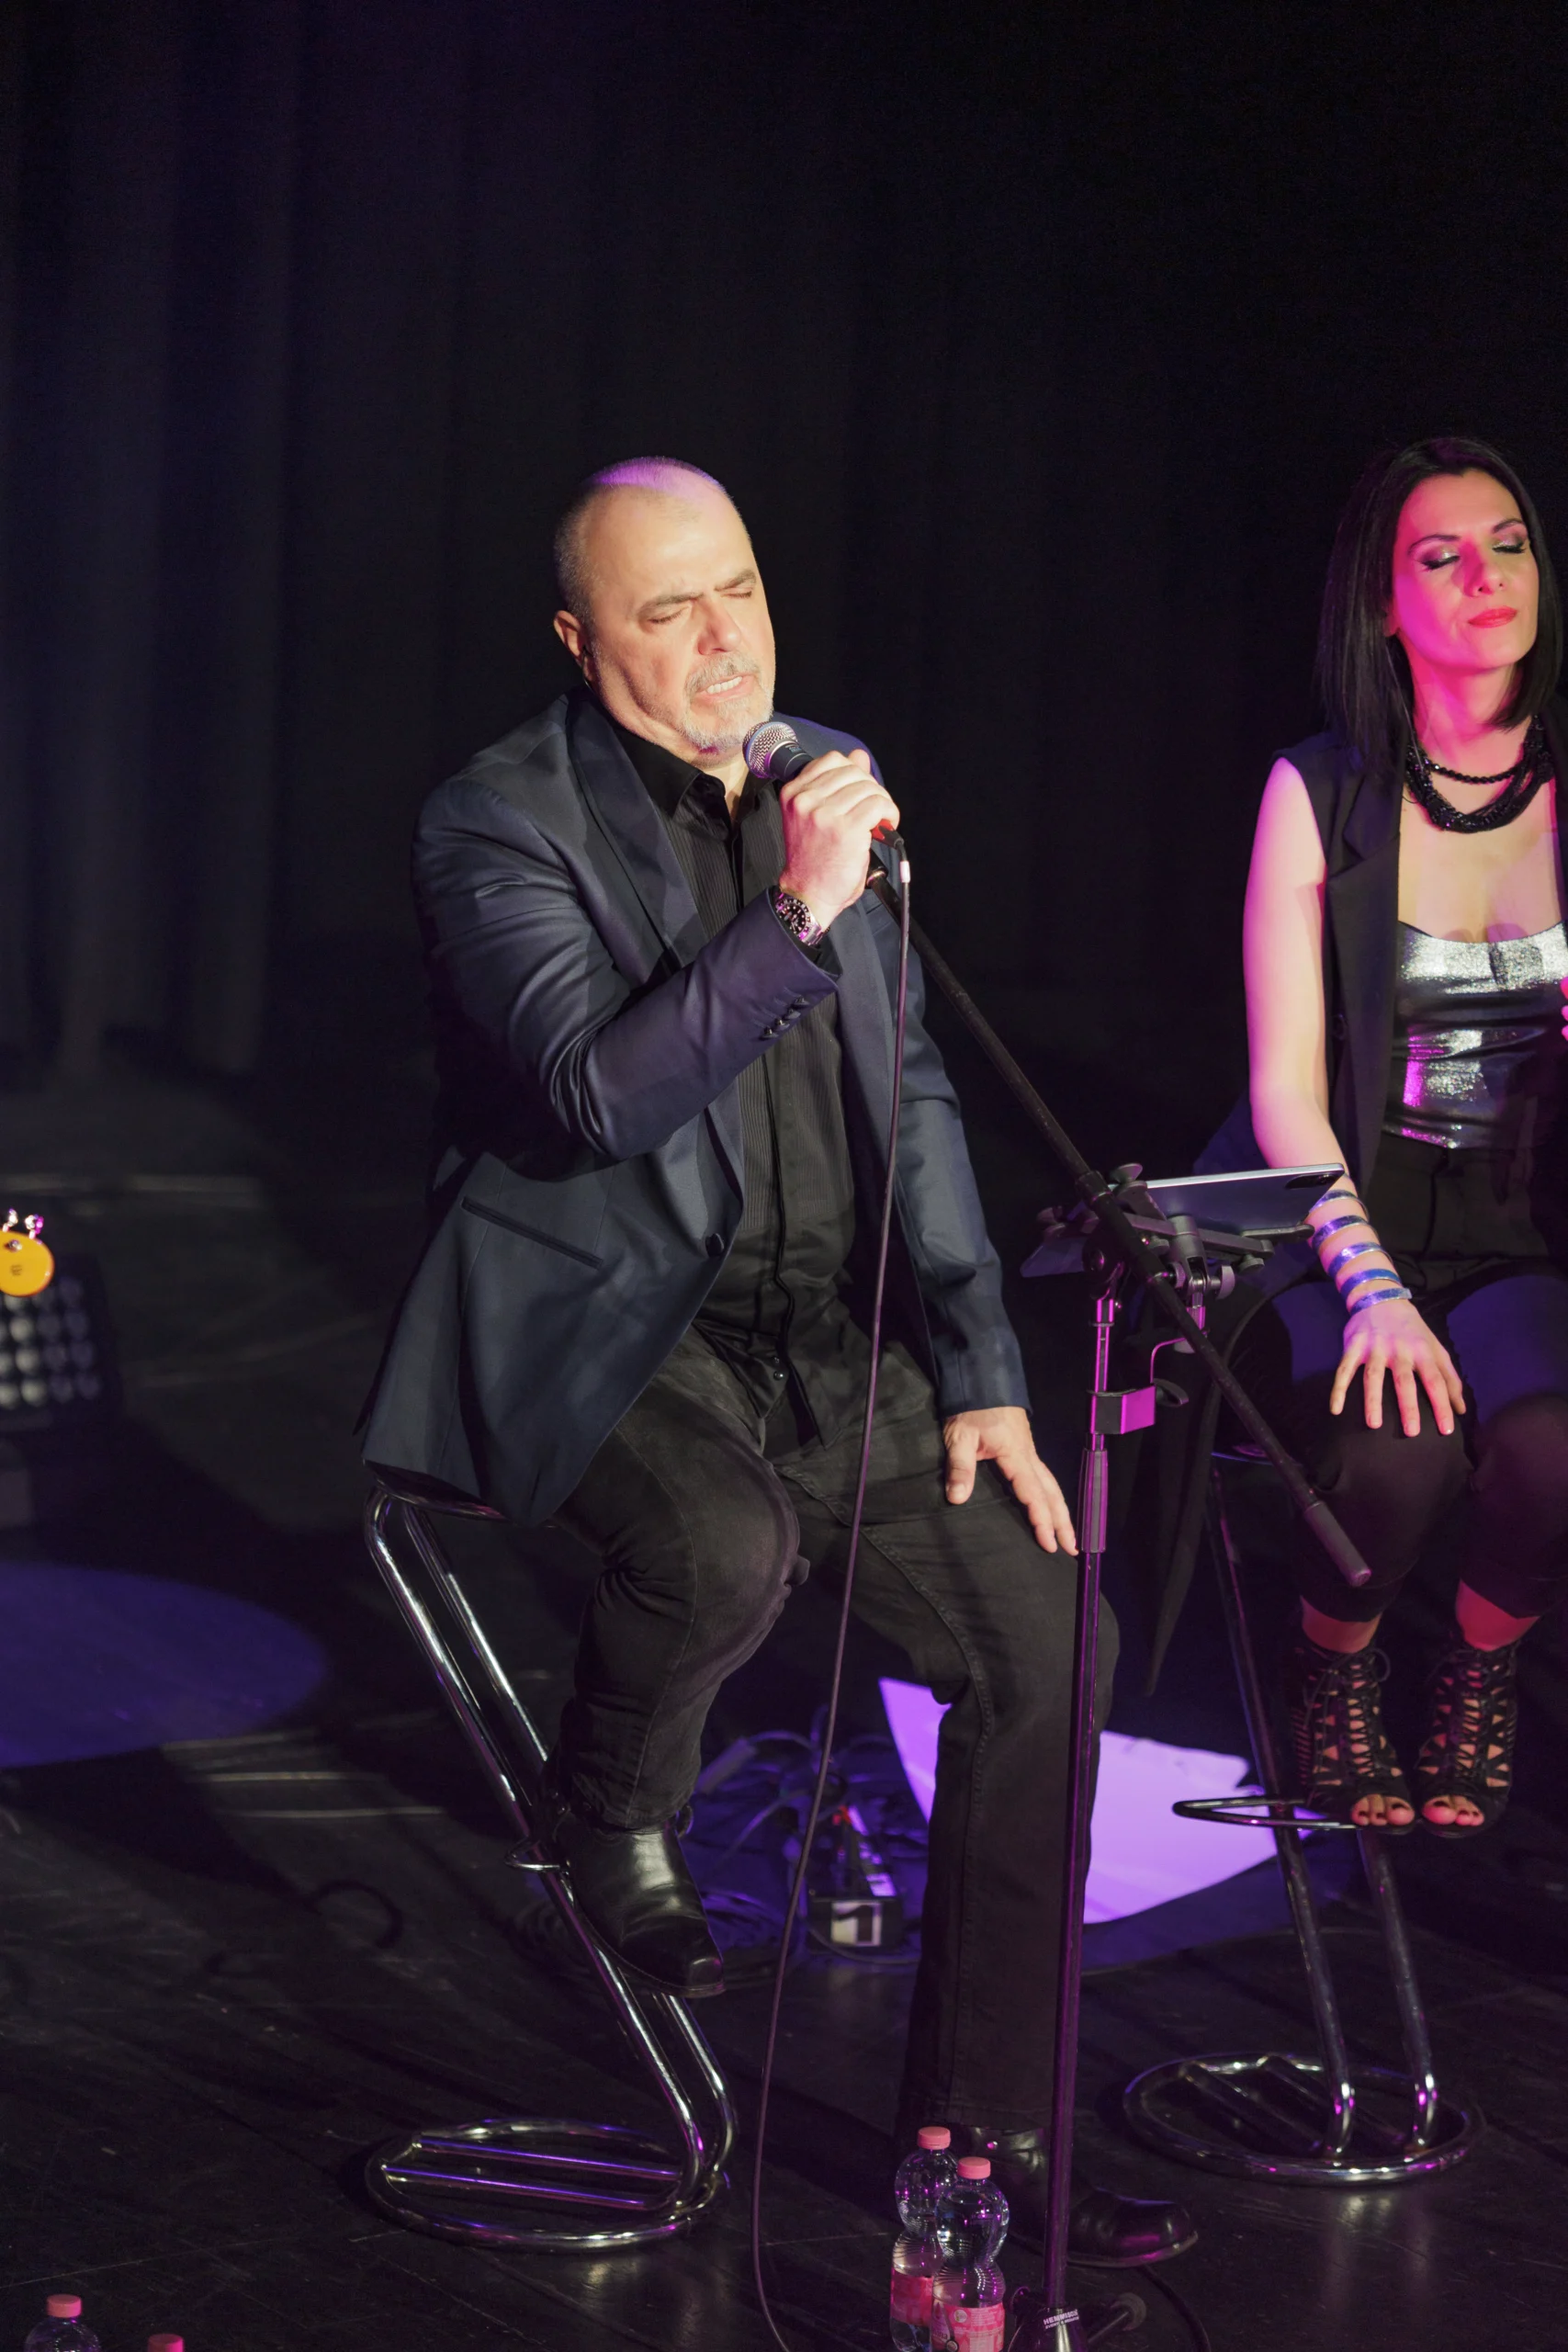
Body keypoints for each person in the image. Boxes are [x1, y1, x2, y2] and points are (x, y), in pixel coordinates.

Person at [364, 456, 1193, 2261]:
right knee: (718, 1544)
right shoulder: (494, 821)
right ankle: (608, 1818)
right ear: (578, 640)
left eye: (735, 588)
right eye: (667, 610)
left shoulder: (821, 770)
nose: (722, 638)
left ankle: (980, 2151)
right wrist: (796, 910)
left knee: (1051, 1633)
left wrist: (981, 1365)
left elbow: (913, 1083)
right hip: (615, 1325)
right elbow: (595, 1093)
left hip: (833, 1331)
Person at [1232, 434, 1568, 1836]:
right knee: (1393, 1449)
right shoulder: (1316, 791)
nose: (1486, 577)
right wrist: (1367, 1286)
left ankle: (1478, 1672)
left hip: (1513, 1220)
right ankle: (1336, 1667)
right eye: (1441, 556)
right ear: (1382, 604)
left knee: (1550, 1444)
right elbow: (1282, 1088)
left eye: (1506, 543)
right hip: (1343, 1201)